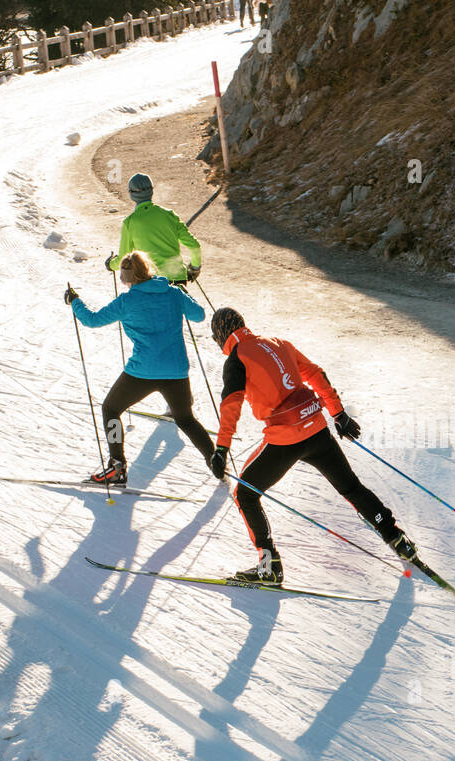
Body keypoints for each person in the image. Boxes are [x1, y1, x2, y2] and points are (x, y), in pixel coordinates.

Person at [206, 307, 420, 584]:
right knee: (351, 487)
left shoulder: (236, 359)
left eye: (215, 338)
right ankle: (398, 539)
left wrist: (222, 449)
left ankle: (269, 565)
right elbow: (315, 373)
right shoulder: (278, 343)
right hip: (317, 428)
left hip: (285, 439)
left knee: (245, 494)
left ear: (221, 335)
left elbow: (231, 405)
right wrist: (338, 414)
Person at [65, 251, 214, 485]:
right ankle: (214, 459)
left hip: (141, 371)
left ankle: (117, 466)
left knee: (111, 410)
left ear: (127, 278)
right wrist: (184, 294)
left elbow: (92, 320)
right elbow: (199, 315)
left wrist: (75, 302)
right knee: (185, 418)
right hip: (176, 371)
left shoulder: (127, 301)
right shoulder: (173, 293)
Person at [105, 174, 202, 285]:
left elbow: (123, 259)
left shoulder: (130, 222)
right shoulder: (170, 215)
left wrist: (110, 264)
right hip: (177, 279)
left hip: (151, 281)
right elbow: (194, 246)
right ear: (152, 191)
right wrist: (194, 268)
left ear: (131, 194)